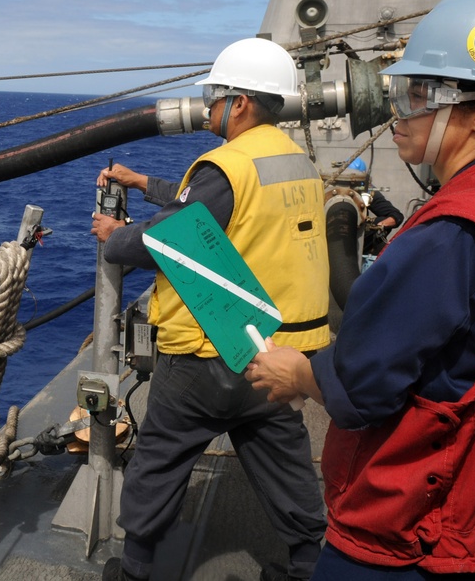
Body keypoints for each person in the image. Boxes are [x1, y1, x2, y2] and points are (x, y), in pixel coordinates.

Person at [244, 0, 475, 580]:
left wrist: (297, 372)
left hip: (417, 538)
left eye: (419, 94)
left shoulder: (454, 231)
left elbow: (362, 388)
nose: (396, 111)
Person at [92, 37, 331, 581]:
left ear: (241, 102)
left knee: (161, 460)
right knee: (283, 461)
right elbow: (216, 211)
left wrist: (115, 236)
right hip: (280, 353)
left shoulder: (227, 165)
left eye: (215, 97)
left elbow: (170, 239)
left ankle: (134, 572)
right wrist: (142, 183)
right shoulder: (295, 160)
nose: (208, 107)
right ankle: (307, 565)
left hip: (211, 355)